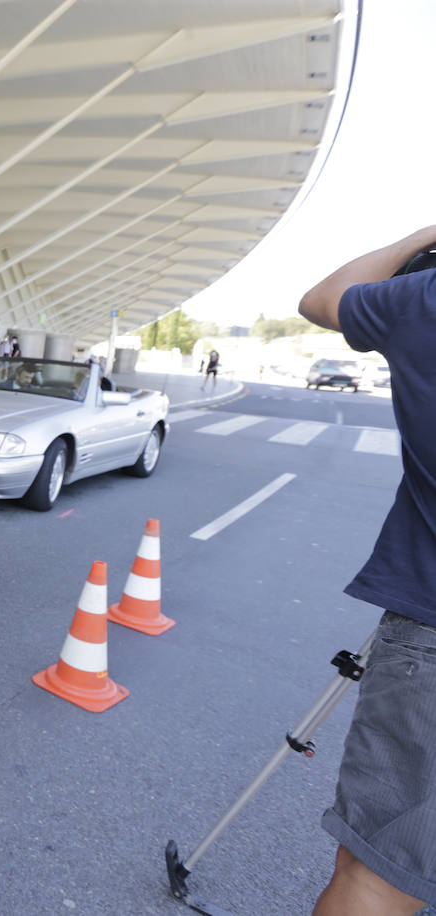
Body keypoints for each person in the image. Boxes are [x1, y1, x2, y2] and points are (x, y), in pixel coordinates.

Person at [300, 226, 436, 916]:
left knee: (377, 869)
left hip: (428, 628)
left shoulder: (425, 302)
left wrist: (428, 233)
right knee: (385, 863)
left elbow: (324, 297)